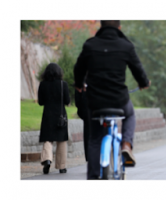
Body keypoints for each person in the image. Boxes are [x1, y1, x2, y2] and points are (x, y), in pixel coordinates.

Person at [74, 20, 150, 179]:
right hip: (119, 99)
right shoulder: (126, 46)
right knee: (130, 114)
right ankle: (127, 145)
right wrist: (143, 83)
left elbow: (78, 68)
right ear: (119, 28)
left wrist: (80, 84)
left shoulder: (90, 45)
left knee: (95, 139)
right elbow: (138, 70)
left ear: (101, 27)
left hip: (95, 100)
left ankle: (94, 178)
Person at [38, 63, 70, 174]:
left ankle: (47, 159)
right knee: (61, 140)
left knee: (48, 139)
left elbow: (41, 102)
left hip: (47, 115)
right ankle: (61, 166)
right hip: (60, 116)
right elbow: (67, 101)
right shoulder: (63, 84)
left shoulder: (42, 84)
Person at [75, 82, 90, 161]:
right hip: (100, 108)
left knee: (88, 135)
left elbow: (77, 102)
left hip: (86, 112)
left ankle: (89, 158)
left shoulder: (81, 80)